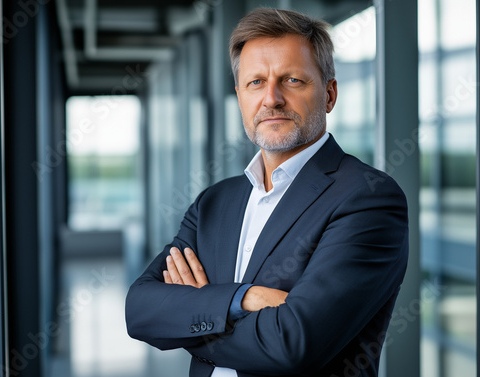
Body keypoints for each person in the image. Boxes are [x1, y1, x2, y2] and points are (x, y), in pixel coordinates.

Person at [126, 7, 408, 377]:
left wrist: (193, 314)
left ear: (329, 94)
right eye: (255, 82)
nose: (271, 98)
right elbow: (140, 310)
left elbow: (293, 343)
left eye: (292, 80)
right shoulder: (214, 203)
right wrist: (244, 298)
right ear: (240, 96)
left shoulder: (367, 198)